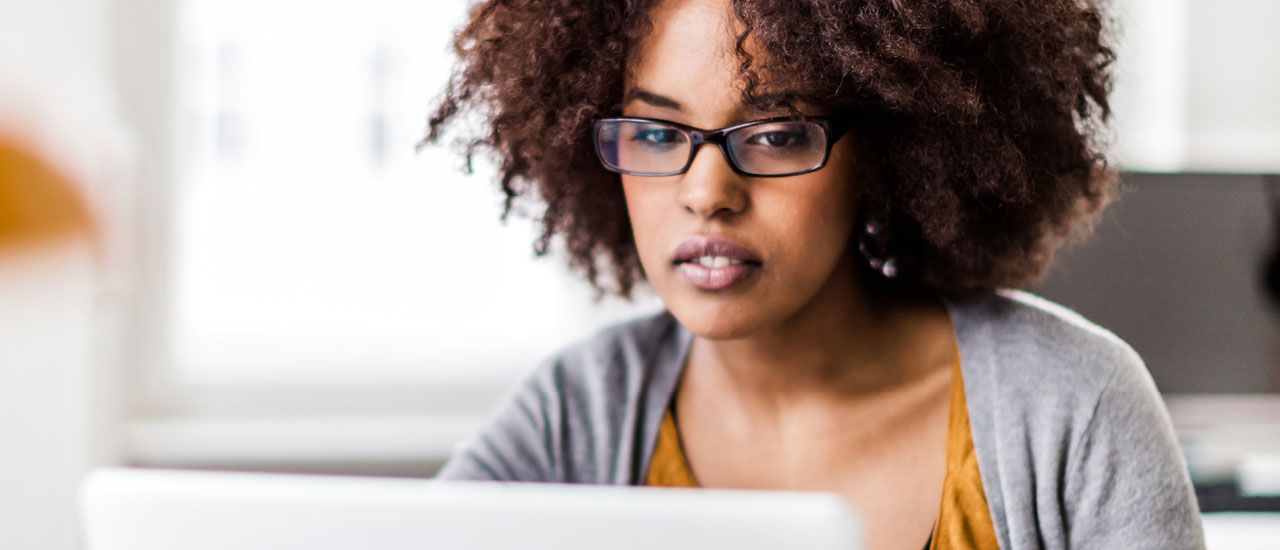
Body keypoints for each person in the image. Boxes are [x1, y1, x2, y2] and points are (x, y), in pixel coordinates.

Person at [422, 0, 1204, 548]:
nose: (706, 194)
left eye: (775, 134)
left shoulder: (1074, 411)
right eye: (658, 133)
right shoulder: (576, 418)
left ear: (889, 145)